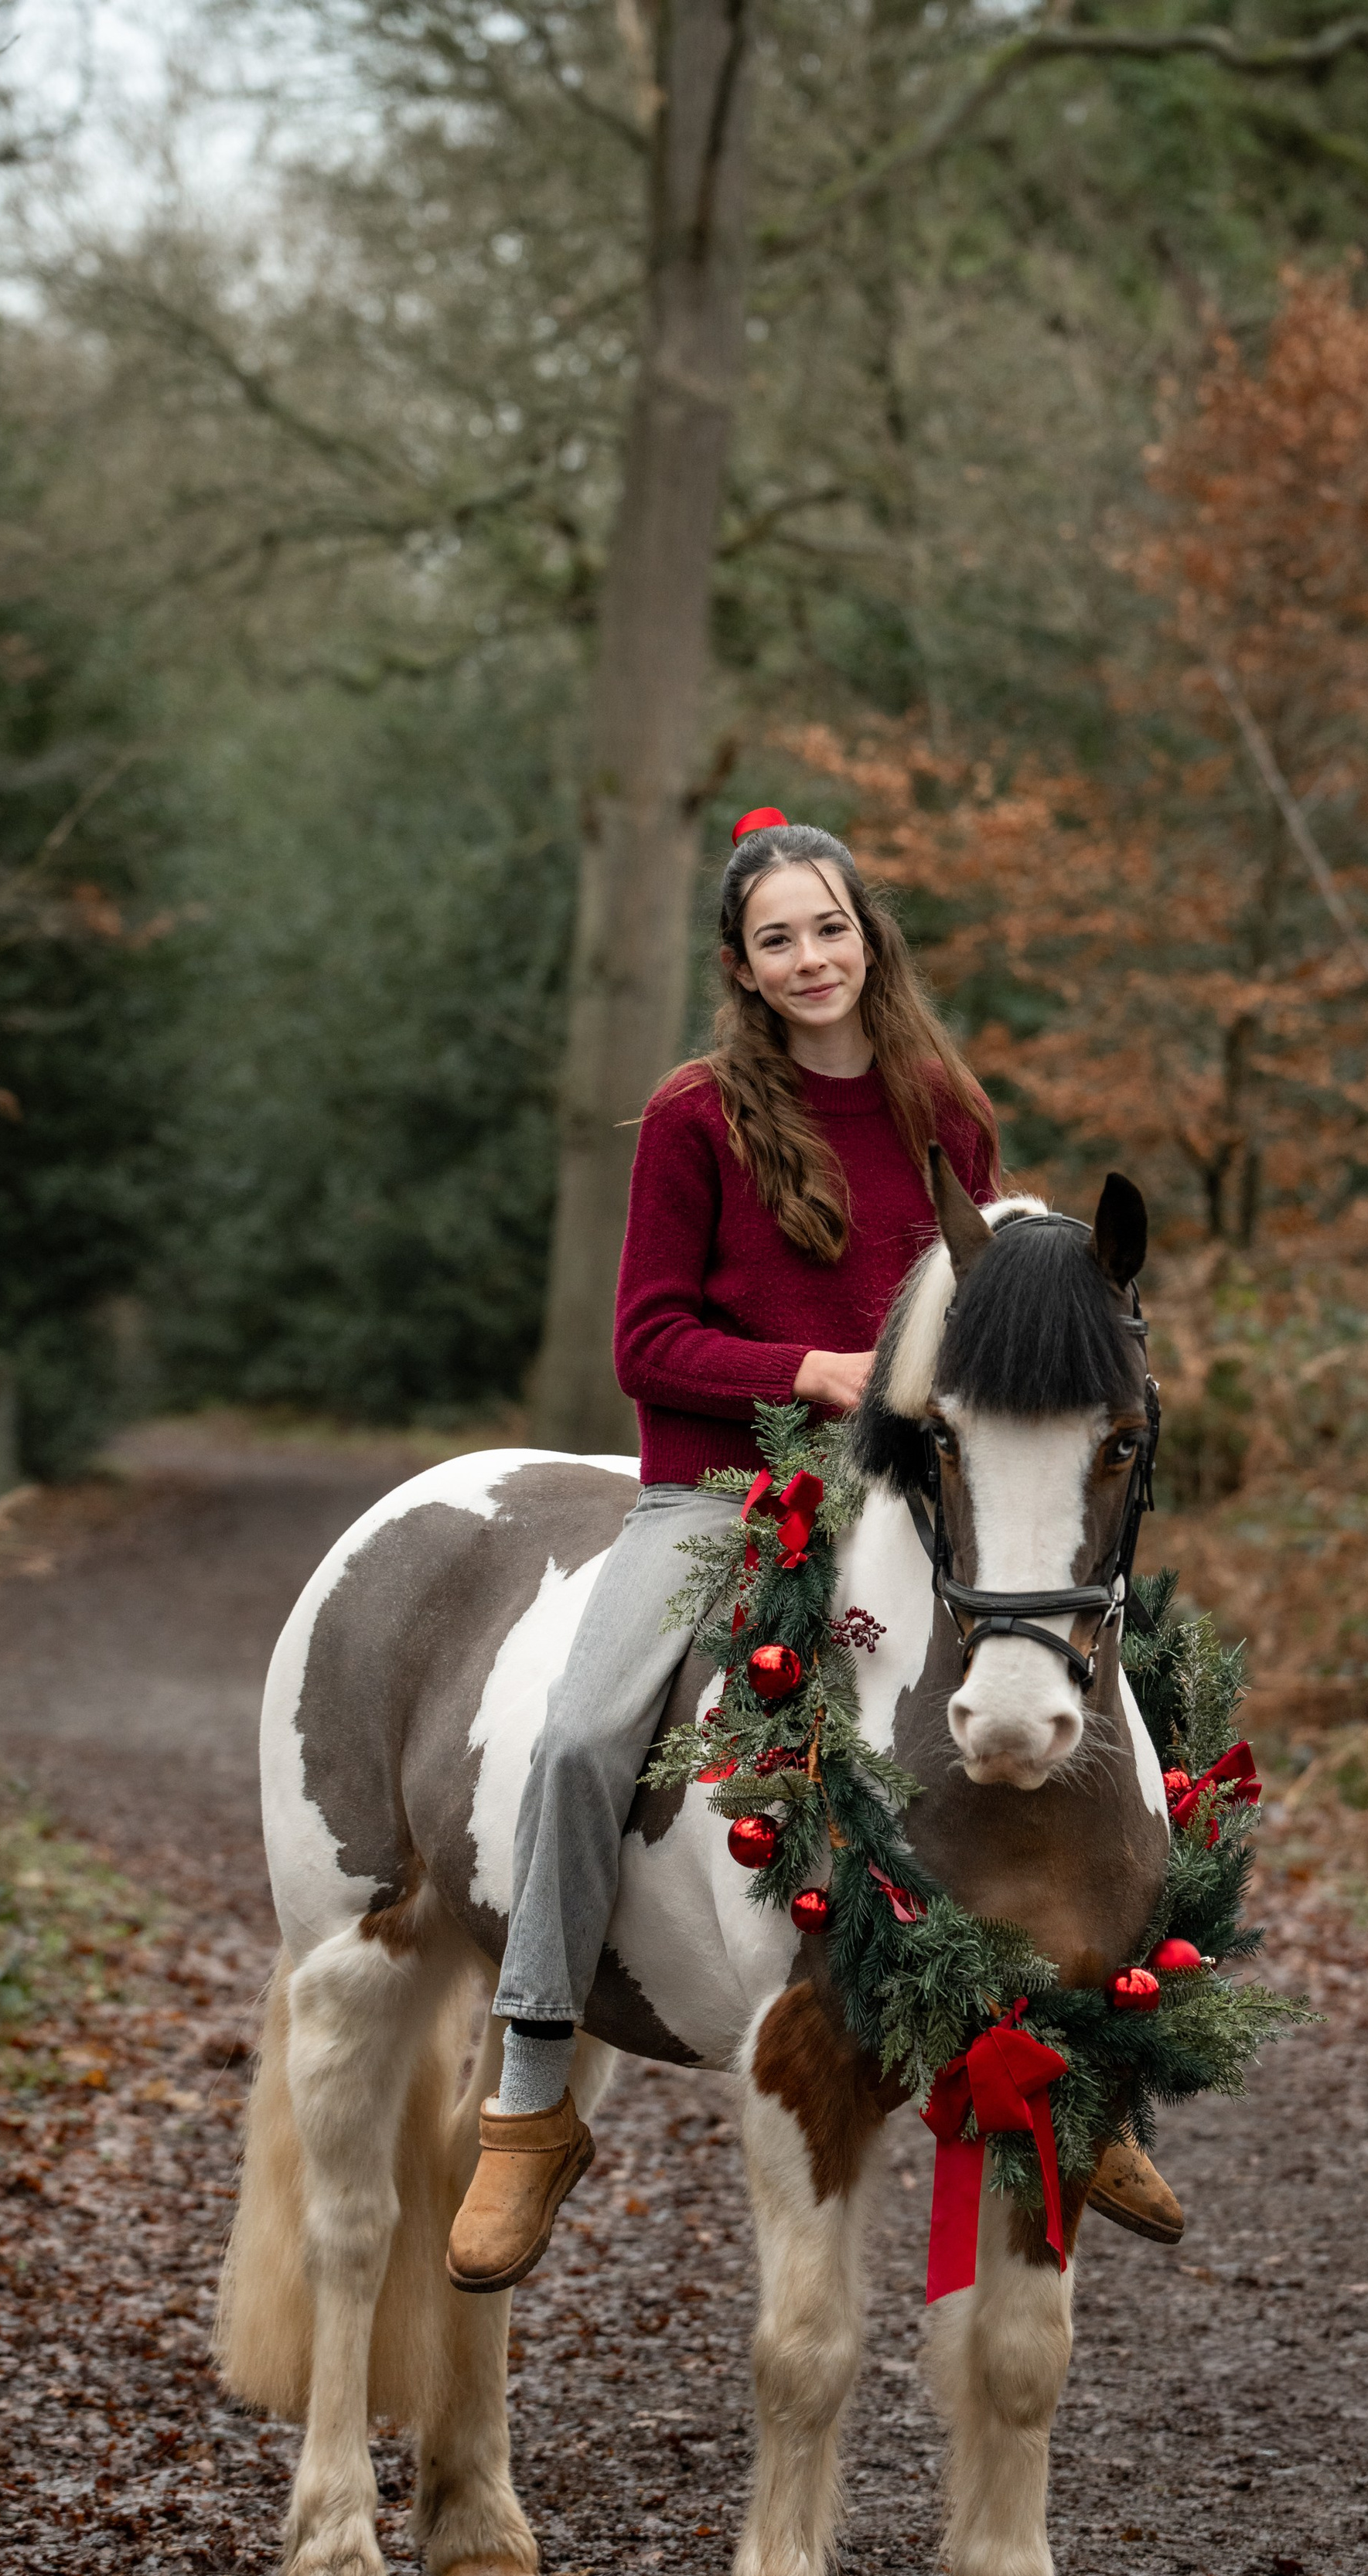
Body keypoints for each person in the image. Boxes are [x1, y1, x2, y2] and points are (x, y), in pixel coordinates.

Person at [445, 811, 1182, 2292]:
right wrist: (817, 1372)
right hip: (714, 1495)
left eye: (829, 929)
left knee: (1104, 1692)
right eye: (776, 938)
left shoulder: (943, 1114)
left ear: (870, 937)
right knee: (585, 1739)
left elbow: (990, 1336)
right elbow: (645, 1339)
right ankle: (529, 2101)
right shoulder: (693, 1117)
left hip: (904, 1508)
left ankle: (1087, 2059)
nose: (809, 959)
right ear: (742, 963)